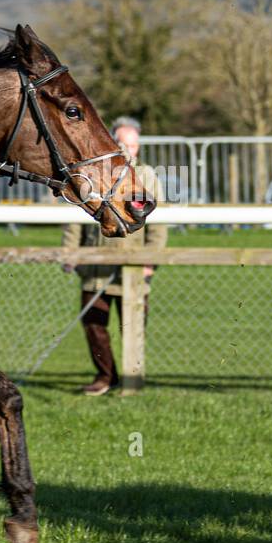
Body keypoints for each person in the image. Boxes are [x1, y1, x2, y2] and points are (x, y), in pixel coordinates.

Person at [61, 116, 167, 395]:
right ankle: (106, 377)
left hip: (131, 267)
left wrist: (150, 262)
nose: (128, 149)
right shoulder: (95, 174)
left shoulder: (146, 178)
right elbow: (75, 219)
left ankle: (133, 381)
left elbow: (158, 226)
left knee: (133, 325)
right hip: (94, 268)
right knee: (94, 324)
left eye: (132, 145)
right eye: (122, 144)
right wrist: (71, 254)